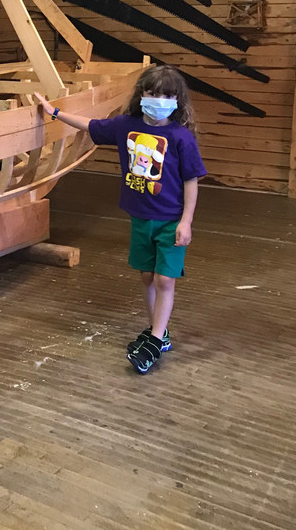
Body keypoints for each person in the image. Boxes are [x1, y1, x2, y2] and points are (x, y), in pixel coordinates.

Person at [33, 65, 206, 374]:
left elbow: (191, 181)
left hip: (170, 219)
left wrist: (186, 221)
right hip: (141, 218)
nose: (158, 100)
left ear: (177, 100)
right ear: (141, 95)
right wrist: (54, 112)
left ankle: (154, 339)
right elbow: (91, 125)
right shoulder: (127, 126)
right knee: (146, 277)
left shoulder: (181, 138)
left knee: (165, 278)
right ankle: (160, 332)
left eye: (166, 95)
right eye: (152, 93)